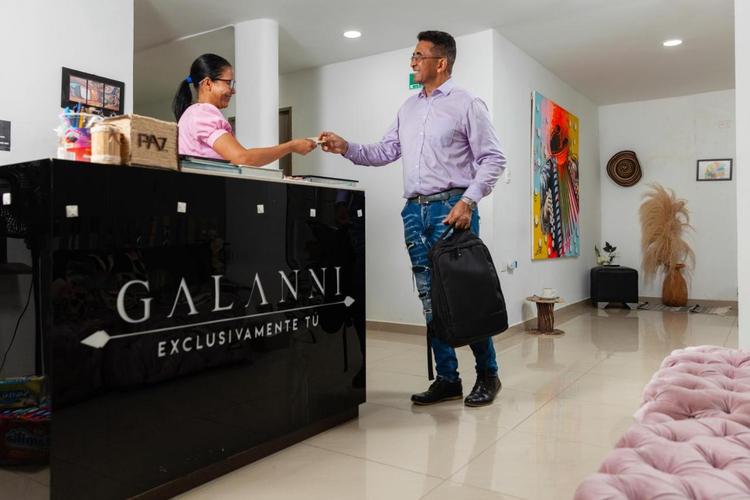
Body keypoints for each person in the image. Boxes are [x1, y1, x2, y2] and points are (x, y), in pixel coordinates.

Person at [318, 31, 506, 407]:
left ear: (442, 62)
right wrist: (346, 147)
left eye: (419, 55)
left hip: (451, 210)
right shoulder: (408, 108)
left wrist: (468, 202)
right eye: (413, 56)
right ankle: (448, 379)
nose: (413, 62)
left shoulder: (467, 103)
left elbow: (493, 159)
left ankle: (488, 374)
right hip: (414, 212)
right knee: (431, 300)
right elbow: (386, 150)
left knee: (462, 296)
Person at [173, 53, 316, 165]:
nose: (233, 91)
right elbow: (243, 158)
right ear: (208, 84)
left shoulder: (191, 114)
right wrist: (291, 146)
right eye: (228, 83)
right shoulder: (203, 114)